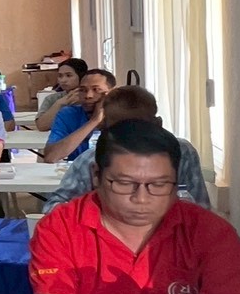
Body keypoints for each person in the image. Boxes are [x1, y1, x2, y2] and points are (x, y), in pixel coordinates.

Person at [30, 121, 240, 294]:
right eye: (124, 184)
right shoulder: (60, 226)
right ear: (96, 175)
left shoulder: (209, 231)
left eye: (159, 185)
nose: (141, 198)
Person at [43, 87, 209, 210]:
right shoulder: (92, 159)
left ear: (157, 124)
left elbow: (201, 207)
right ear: (105, 128)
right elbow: (54, 207)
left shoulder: (183, 152)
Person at [43, 69, 116, 163]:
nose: (88, 95)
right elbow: (50, 157)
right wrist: (93, 121)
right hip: (77, 170)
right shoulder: (68, 114)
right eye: (83, 90)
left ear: (111, 93)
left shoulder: (123, 116)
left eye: (96, 90)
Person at [35, 57, 91, 132]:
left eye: (69, 75)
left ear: (82, 76)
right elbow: (41, 126)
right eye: (60, 76)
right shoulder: (52, 99)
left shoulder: (90, 97)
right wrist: (59, 103)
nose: (63, 80)